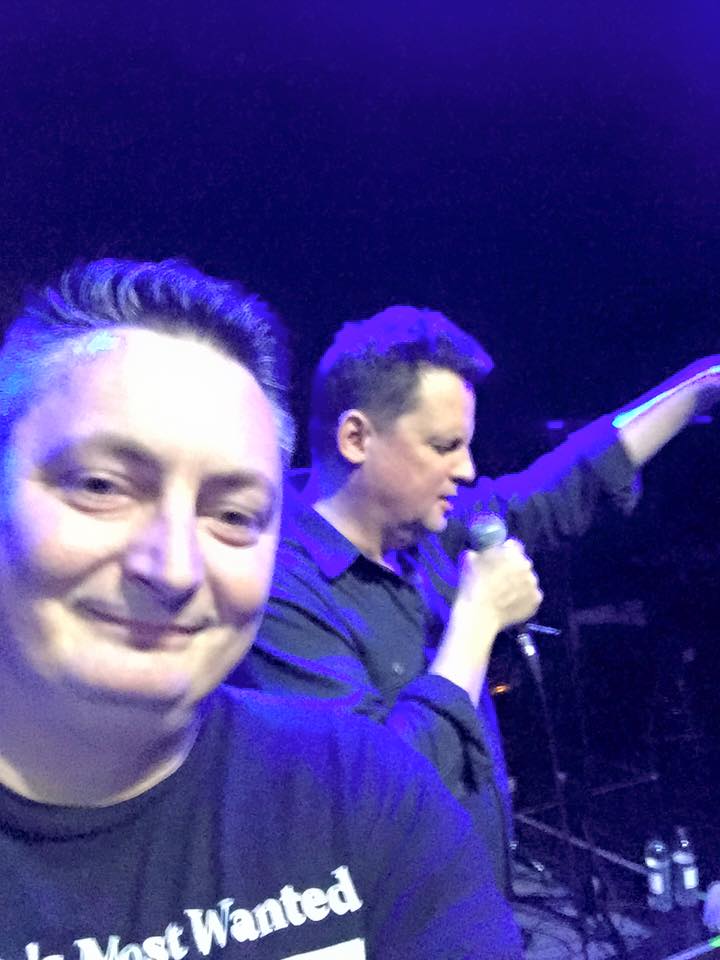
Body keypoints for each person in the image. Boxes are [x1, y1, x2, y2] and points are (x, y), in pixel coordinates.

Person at [0, 264, 523, 959]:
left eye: (234, 514)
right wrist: (477, 622)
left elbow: (564, 483)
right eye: (101, 485)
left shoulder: (360, 789)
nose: (174, 569)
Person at [230, 304, 720, 891]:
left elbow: (570, 480)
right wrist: (478, 619)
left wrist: (702, 386)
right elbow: (374, 794)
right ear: (356, 437)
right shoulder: (276, 588)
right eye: (445, 446)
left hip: (475, 897)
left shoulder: (431, 534)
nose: (467, 469)